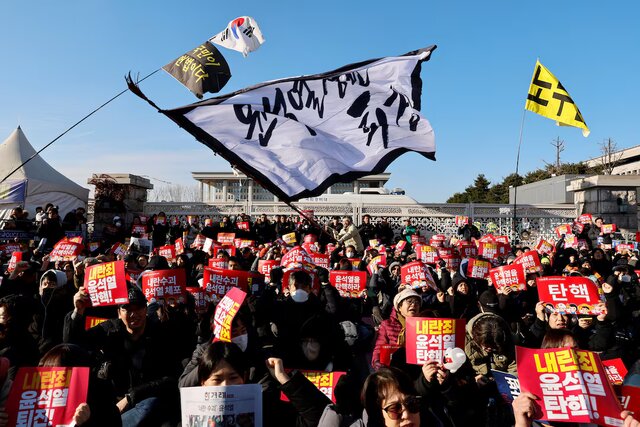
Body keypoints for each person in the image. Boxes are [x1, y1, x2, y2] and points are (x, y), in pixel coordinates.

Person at [64, 286, 183, 426]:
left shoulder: (161, 334)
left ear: (146, 310)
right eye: (127, 309)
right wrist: (78, 311)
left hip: (147, 401)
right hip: (112, 405)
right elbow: (73, 346)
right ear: (119, 313)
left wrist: (131, 397)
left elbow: (171, 378)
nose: (134, 314)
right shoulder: (110, 330)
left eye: (138, 308)